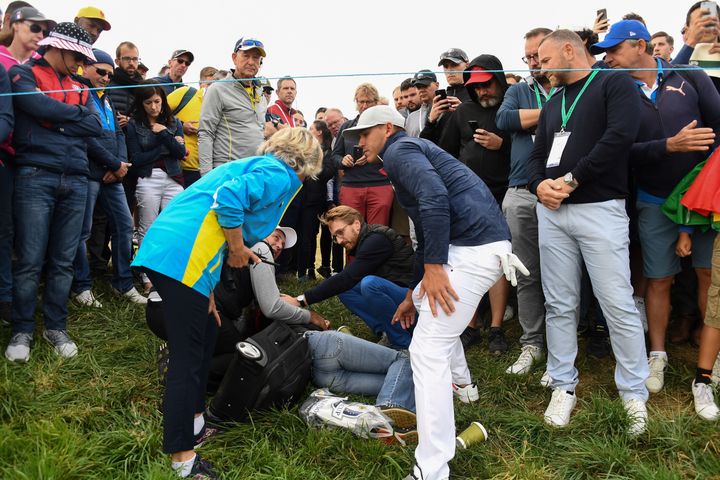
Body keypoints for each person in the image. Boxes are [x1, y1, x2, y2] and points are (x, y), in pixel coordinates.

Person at [131, 127, 322, 479]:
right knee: (187, 360)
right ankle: (183, 461)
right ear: (306, 160)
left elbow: (212, 223)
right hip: (181, 257)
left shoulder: (260, 166)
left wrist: (208, 291)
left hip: (180, 254)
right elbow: (229, 201)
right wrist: (237, 249)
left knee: (206, 335)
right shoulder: (278, 173)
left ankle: (195, 423)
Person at [341, 105, 520, 480]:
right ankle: (465, 387)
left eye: (364, 133)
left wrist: (435, 267)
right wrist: (414, 288)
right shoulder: (403, 154)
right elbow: (425, 223)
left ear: (387, 128)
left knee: (426, 349)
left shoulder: (400, 149)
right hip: (470, 245)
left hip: (472, 249)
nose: (359, 142)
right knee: (424, 306)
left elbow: (435, 198)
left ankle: (433, 468)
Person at [527, 29, 649, 434]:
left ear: (567, 49)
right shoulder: (554, 102)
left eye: (543, 60)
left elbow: (620, 138)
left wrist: (573, 179)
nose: (540, 69)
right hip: (553, 212)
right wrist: (538, 186)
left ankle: (633, 393)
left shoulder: (614, 83)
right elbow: (537, 156)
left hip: (599, 209)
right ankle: (563, 384)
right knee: (559, 303)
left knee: (617, 302)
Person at [598, 19, 720, 394]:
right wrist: (670, 145)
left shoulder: (690, 76)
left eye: (615, 49)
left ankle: (712, 357)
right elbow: (618, 151)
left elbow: (719, 127)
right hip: (653, 198)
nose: (610, 58)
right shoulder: (614, 89)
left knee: (706, 276)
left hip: (701, 200)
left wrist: (705, 183)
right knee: (659, 278)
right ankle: (658, 353)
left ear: (640, 45)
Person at [4, 23, 101, 363]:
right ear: (56, 48)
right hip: (35, 174)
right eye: (75, 55)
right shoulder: (22, 73)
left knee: (63, 261)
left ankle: (56, 326)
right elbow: (36, 107)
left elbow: (95, 125)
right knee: (30, 260)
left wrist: (56, 117)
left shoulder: (81, 85)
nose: (78, 62)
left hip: (76, 178)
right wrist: (69, 116)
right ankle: (22, 330)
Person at [439, 54, 512, 354]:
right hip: (467, 199)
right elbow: (445, 151)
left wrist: (502, 144)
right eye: (476, 87)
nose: (482, 91)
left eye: (487, 84)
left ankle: (496, 327)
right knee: (465, 260)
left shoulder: (511, 108)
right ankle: (470, 325)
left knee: (498, 262)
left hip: (503, 195)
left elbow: (532, 151)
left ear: (500, 79)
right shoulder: (463, 112)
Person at [495, 27, 554, 377]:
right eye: (528, 57)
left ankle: (563, 344)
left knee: (564, 274)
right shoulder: (519, 89)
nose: (533, 63)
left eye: (538, 56)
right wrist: (552, 113)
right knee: (527, 272)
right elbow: (504, 120)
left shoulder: (572, 87)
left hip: (565, 191)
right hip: (521, 192)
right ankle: (532, 343)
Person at [71, 48, 146, 307]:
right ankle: (81, 286)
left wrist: (121, 165)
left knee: (125, 227)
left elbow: (119, 134)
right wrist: (114, 163)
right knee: (83, 232)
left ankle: (123, 283)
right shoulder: (79, 93)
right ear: (86, 68)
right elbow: (86, 136)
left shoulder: (107, 97)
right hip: (89, 173)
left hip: (114, 175)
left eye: (109, 74)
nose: (105, 77)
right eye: (100, 71)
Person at [295, 206, 415, 349]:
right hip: (398, 298)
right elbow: (343, 282)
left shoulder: (377, 238)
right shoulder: (364, 242)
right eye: (335, 237)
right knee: (346, 289)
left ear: (356, 224)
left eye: (340, 232)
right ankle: (386, 331)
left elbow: (348, 277)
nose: (339, 241)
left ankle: (403, 344)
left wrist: (302, 300)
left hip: (414, 301)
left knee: (369, 284)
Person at [0, 5, 51, 324]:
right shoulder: (2, 61)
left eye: (44, 32)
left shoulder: (36, 67)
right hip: (5, 153)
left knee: (10, 233)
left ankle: (7, 298)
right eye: (35, 28)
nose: (40, 36)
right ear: (15, 25)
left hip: (27, 159)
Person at [126, 83, 186, 291]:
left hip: (173, 178)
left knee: (174, 226)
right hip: (147, 177)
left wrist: (164, 134)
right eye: (148, 102)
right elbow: (137, 158)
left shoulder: (174, 122)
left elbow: (180, 154)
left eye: (157, 102)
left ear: (163, 101)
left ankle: (170, 273)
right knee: (147, 227)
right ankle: (147, 275)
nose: (153, 107)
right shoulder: (135, 125)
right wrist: (166, 143)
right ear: (141, 104)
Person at [198, 37, 267, 175]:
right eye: (246, 56)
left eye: (256, 57)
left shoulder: (261, 94)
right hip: (227, 172)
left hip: (253, 172)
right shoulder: (218, 89)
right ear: (234, 58)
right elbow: (206, 133)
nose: (251, 62)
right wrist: (206, 176)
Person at [332, 83, 394, 227]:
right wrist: (343, 160)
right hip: (351, 185)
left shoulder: (385, 126)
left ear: (376, 103)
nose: (365, 106)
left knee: (379, 232)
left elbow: (393, 154)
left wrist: (373, 155)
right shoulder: (347, 126)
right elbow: (334, 157)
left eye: (369, 102)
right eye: (361, 102)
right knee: (351, 233)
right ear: (356, 102)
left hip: (379, 184)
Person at [167, 67, 218, 187]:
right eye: (209, 84)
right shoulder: (186, 93)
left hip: (207, 170)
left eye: (215, 86)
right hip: (179, 167)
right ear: (201, 84)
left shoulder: (220, 105)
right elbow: (157, 113)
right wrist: (181, 125)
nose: (212, 89)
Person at [405, 70, 438, 138]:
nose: (421, 90)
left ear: (437, 85)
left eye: (425, 85)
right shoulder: (411, 117)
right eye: (418, 87)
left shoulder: (448, 109)